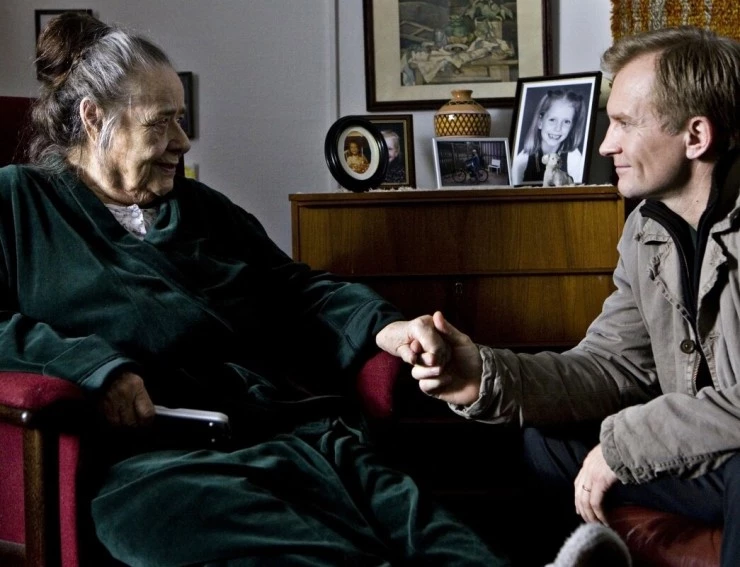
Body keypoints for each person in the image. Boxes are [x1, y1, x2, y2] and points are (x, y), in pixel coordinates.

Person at [0, 13, 506, 566]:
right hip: (159, 463)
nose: (181, 141)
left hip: (290, 428)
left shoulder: (201, 207)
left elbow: (295, 288)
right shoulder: (19, 203)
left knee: (441, 540)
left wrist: (389, 328)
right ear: (94, 117)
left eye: (181, 119)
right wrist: (97, 370)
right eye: (160, 122)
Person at [381, 26, 740, 566]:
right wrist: (483, 374)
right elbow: (612, 366)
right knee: (544, 443)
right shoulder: (646, 228)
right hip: (699, 453)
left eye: (624, 123)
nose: (605, 144)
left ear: (695, 136)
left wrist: (625, 445)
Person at [511, 89, 587, 186]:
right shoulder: (521, 160)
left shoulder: (574, 158)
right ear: (540, 122)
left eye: (566, 122)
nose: (558, 128)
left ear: (572, 127)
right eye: (552, 120)